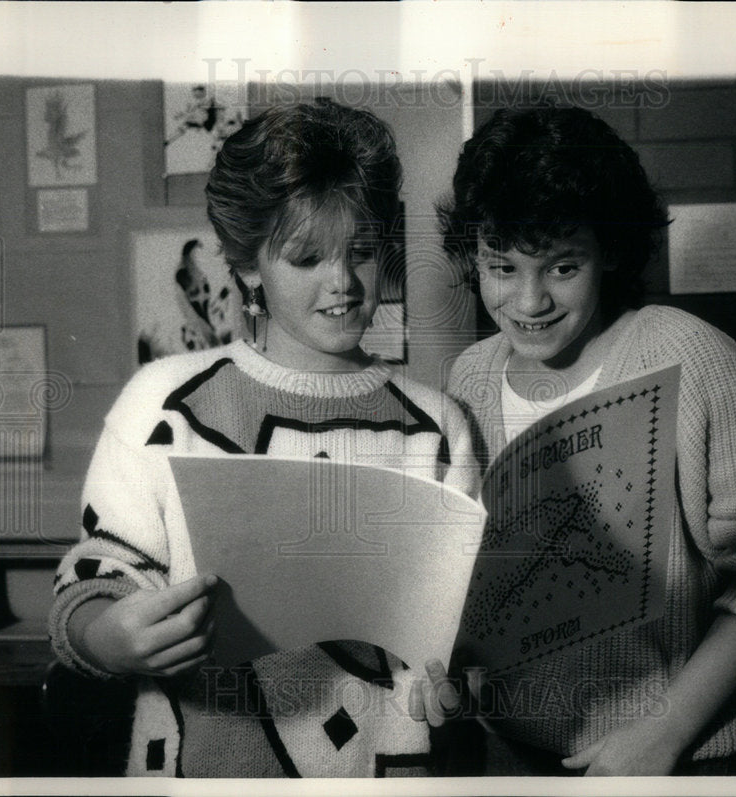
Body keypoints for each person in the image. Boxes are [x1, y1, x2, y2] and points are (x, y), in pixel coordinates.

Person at [50, 99, 472, 778]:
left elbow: (459, 639)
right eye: (306, 257)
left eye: (361, 252)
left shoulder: (436, 425)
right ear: (247, 265)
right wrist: (109, 636)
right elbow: (93, 577)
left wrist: (456, 682)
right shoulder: (164, 402)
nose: (343, 283)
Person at [440, 104, 736, 776]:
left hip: (676, 755)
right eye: (501, 267)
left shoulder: (693, 356)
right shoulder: (470, 375)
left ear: (610, 252)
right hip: (509, 751)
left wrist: (665, 732)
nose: (529, 300)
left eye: (563, 266)